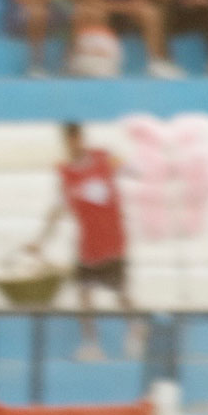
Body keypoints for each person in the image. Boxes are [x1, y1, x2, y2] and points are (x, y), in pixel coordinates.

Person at [36, 120, 137, 359]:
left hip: (112, 240)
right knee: (84, 294)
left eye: (76, 138)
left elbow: (133, 170)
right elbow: (58, 208)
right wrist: (40, 240)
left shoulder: (104, 158)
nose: (73, 144)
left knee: (121, 293)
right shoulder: (66, 173)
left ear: (81, 138)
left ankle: (136, 328)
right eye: (68, 140)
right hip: (88, 244)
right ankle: (91, 343)